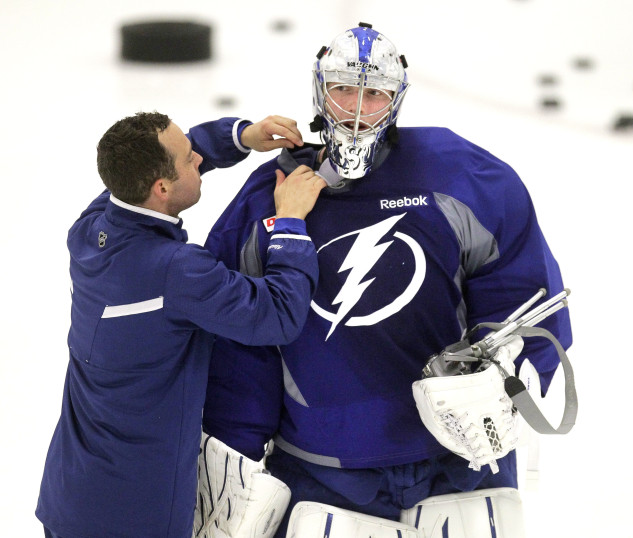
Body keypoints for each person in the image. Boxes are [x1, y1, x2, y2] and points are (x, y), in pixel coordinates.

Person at [197, 23, 573, 538]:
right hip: (324, 472)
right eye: (343, 89)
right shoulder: (268, 201)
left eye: (373, 93)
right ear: (318, 90)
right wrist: (231, 453)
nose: (355, 109)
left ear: (396, 100)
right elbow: (239, 346)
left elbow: (523, 293)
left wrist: (505, 371)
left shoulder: (462, 177)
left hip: (457, 462)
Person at [35, 111, 327, 538]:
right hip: (133, 519)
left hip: (70, 497)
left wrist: (241, 137)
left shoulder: (90, 231)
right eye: (191, 158)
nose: (198, 159)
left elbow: (170, 159)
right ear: (162, 188)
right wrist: (290, 222)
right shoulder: (177, 272)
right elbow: (278, 315)